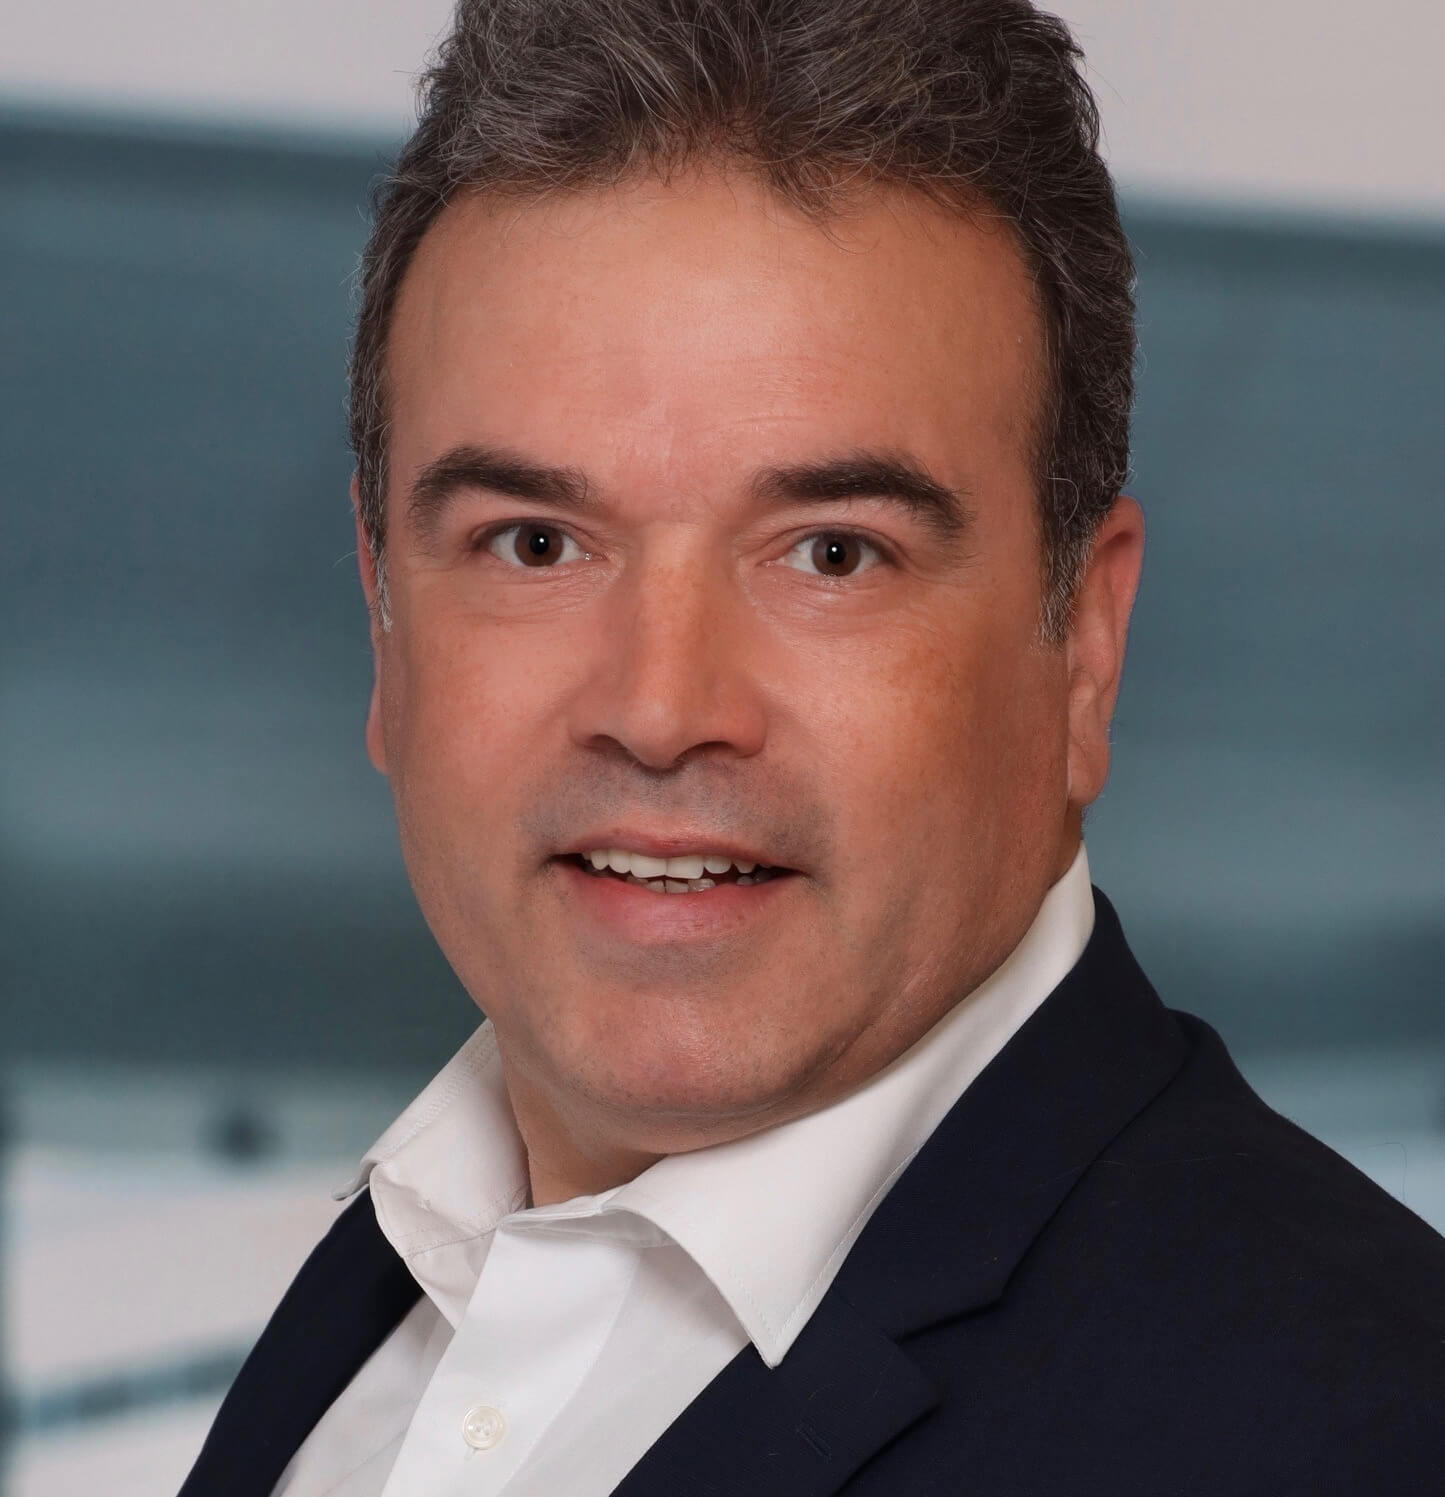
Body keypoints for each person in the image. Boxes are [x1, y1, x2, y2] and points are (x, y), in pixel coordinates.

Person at [181, 2, 1445, 1493]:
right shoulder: (383, 1296)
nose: (660, 708)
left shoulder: (1362, 1429)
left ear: (1085, 651)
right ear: (383, 615)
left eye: (831, 554)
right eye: (536, 542)